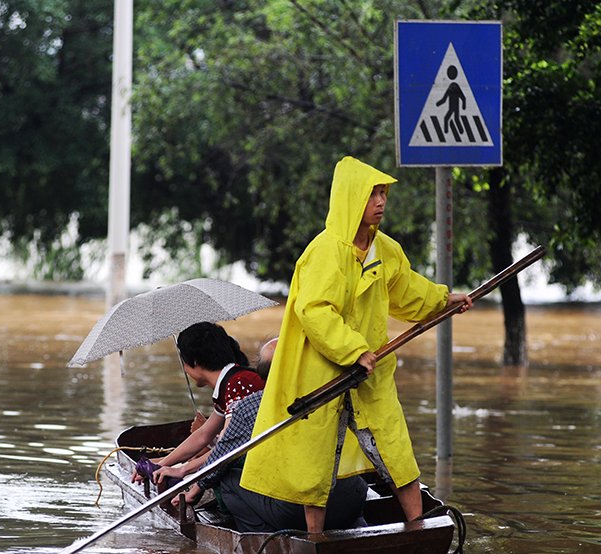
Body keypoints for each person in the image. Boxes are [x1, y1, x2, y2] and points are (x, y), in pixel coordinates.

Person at [239, 155, 472, 534]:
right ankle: (314, 540)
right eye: (372, 194)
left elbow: (408, 290)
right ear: (351, 199)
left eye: (383, 193)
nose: (381, 201)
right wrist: (352, 350)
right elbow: (314, 310)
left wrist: (445, 299)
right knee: (316, 458)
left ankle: (418, 528)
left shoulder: (385, 249)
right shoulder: (325, 252)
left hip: (372, 369)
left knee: (394, 446)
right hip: (323, 372)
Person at [175, 338, 367, 532]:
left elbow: (222, 459)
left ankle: (260, 539)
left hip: (297, 508)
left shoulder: (252, 404)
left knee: (228, 480)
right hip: (354, 499)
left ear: (264, 374)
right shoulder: (336, 393)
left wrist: (196, 488)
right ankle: (357, 525)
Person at [130, 321, 263, 486]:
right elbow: (203, 435)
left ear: (194, 362)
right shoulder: (231, 381)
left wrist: (182, 469)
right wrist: (163, 462)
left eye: (184, 362)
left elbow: (227, 448)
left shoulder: (239, 383)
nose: (185, 369)